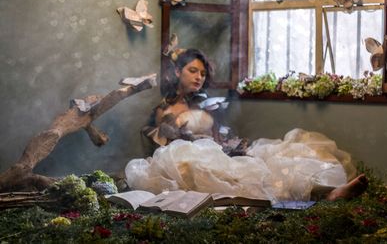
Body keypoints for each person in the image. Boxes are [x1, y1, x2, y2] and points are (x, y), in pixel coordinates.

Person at [126, 48, 368, 203]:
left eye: (202, 72)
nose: (199, 77)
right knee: (260, 177)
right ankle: (327, 195)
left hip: (221, 154)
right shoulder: (165, 109)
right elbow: (170, 150)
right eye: (192, 71)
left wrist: (229, 145)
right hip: (194, 162)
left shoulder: (203, 103)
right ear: (178, 71)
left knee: (282, 155)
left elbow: (217, 135)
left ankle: (326, 190)